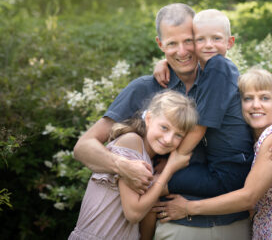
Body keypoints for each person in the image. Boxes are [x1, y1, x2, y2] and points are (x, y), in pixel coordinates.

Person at [73, 3, 272, 240]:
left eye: (188, 41)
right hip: (175, 227)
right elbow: (83, 147)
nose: (183, 51)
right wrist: (122, 165)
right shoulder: (146, 88)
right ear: (160, 45)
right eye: (172, 44)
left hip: (235, 224)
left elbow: (259, 113)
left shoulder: (223, 79)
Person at [157, 68, 272, 239]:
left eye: (264, 98)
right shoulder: (257, 139)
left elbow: (248, 197)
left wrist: (188, 208)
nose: (256, 105)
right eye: (248, 98)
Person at [68, 90, 198, 240]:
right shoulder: (131, 142)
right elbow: (133, 213)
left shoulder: (149, 159)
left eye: (178, 135)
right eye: (164, 127)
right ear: (149, 118)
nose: (169, 139)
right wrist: (169, 169)